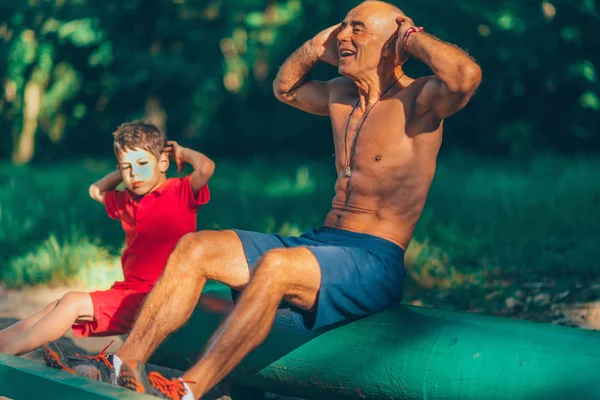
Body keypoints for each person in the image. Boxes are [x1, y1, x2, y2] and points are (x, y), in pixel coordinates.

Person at [46, 1, 481, 399]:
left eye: (357, 30)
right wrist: (315, 47)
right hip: (321, 242)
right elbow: (285, 87)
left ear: (392, 43)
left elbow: (465, 76)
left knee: (274, 267)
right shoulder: (340, 96)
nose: (343, 37)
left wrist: (410, 36)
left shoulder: (420, 100)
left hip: (374, 257)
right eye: (342, 28)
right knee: (195, 247)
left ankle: (189, 389)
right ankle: (123, 362)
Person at [0, 121, 214, 368]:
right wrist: (125, 168)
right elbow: (95, 190)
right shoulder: (127, 200)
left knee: (71, 301)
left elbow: (207, 168)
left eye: (143, 164)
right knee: (55, 306)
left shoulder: (179, 191)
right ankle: (2, 341)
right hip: (129, 291)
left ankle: (7, 353)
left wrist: (179, 152)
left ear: (163, 162)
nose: (134, 174)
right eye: (127, 168)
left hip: (158, 295)